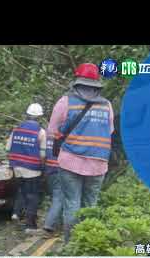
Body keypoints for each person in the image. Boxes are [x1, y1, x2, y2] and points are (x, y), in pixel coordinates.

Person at [48, 63, 114, 243]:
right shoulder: (107, 105)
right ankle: (87, 243)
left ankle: (71, 245)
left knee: (72, 204)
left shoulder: (65, 101)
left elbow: (52, 130)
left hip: (70, 161)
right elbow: (109, 131)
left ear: (77, 82)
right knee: (90, 205)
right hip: (98, 163)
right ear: (97, 84)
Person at [6, 103, 47, 231]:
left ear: (27, 115)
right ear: (39, 117)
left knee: (21, 191)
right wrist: (43, 167)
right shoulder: (40, 131)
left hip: (17, 166)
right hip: (32, 168)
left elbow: (8, 148)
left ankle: (16, 213)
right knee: (32, 195)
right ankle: (30, 224)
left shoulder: (17, 129)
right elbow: (43, 153)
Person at [42, 133, 63, 234]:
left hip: (48, 171)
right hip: (60, 170)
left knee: (54, 197)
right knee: (58, 198)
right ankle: (49, 224)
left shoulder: (47, 135)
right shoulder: (67, 135)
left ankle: (57, 222)